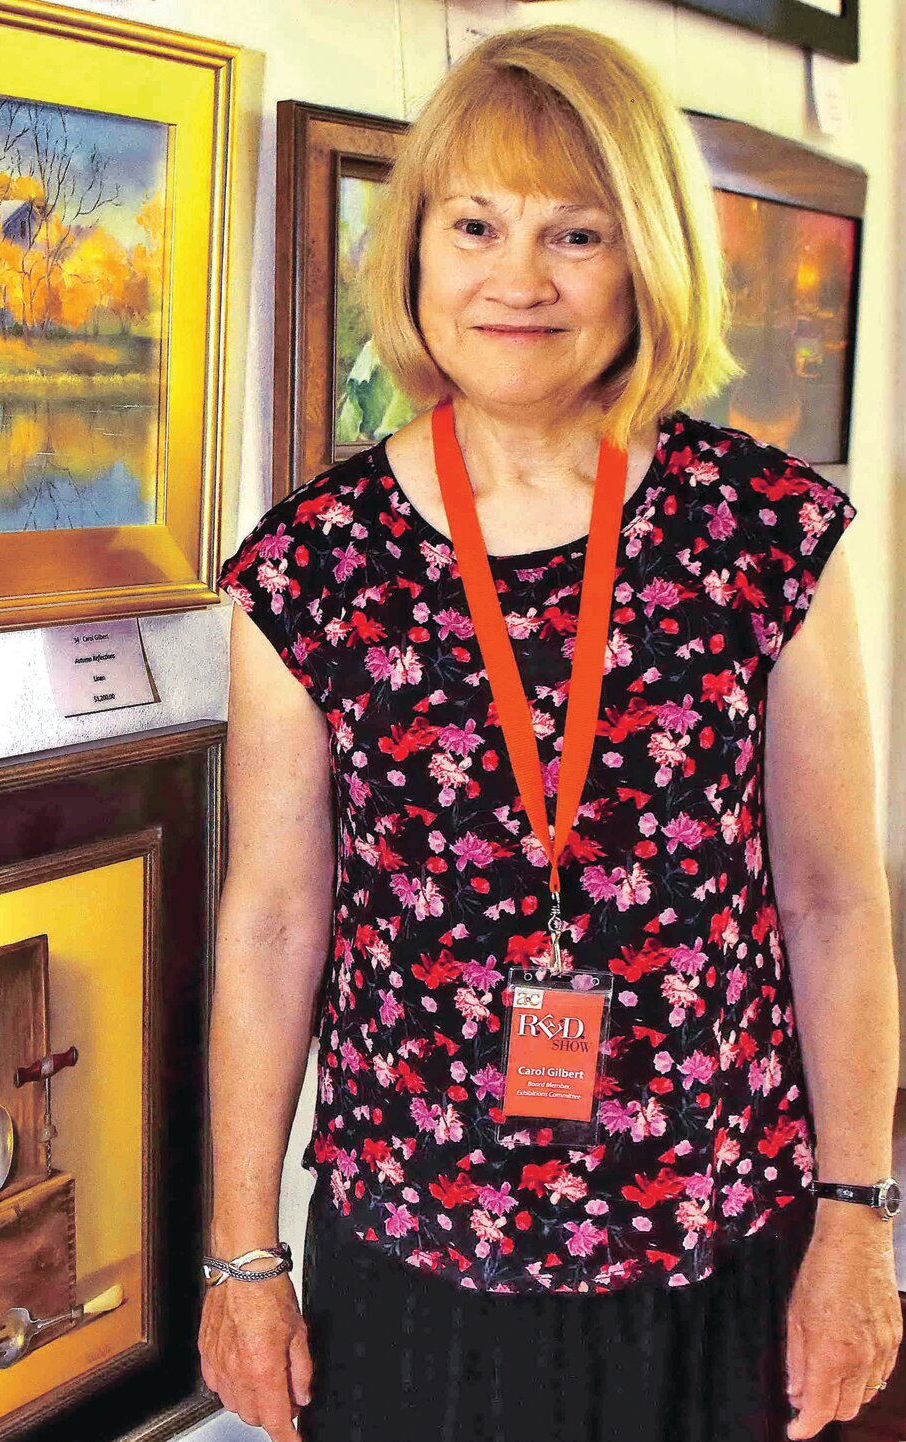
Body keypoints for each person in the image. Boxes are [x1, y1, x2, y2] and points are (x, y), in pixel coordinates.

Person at [201, 22, 899, 1442]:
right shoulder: (314, 566)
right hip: (411, 1264)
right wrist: (240, 1256)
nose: (516, 278)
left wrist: (856, 1220)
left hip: (714, 1250)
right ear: (415, 250)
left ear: (644, 259)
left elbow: (834, 899)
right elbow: (274, 921)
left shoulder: (763, 536)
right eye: (475, 223)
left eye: (575, 234)